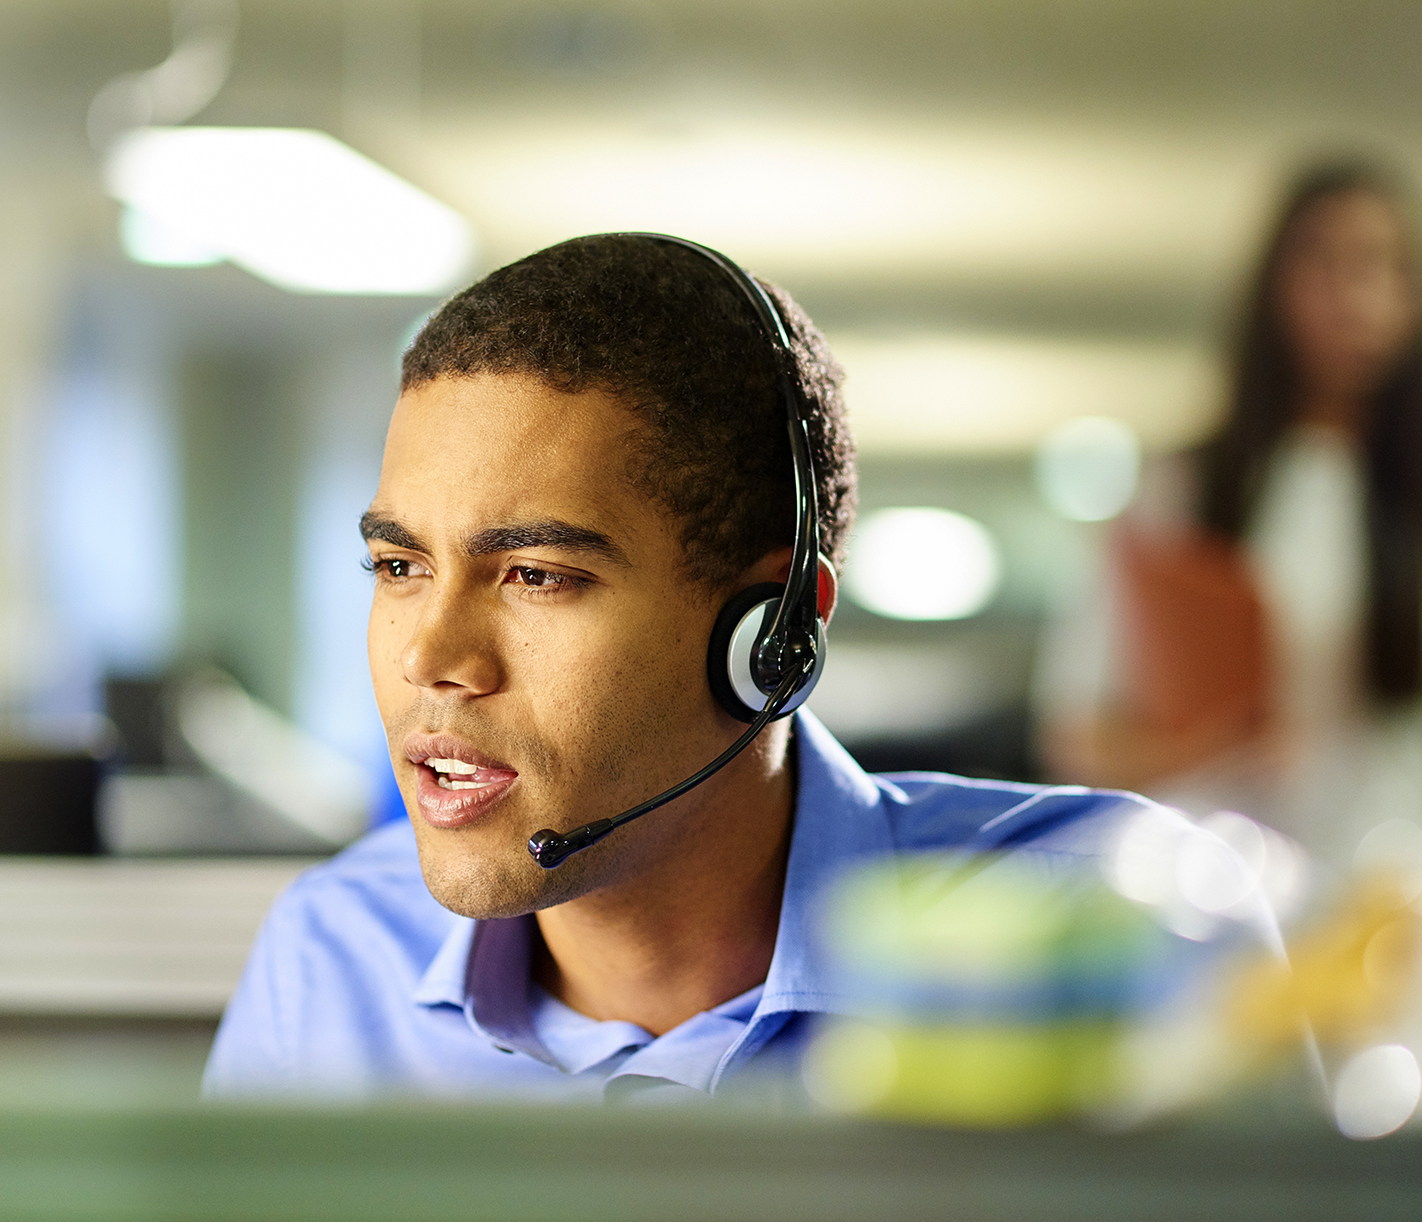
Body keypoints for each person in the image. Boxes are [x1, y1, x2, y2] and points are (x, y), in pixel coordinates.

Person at [201, 235, 1161, 1101]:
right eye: (400, 566)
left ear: (773, 633)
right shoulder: (332, 963)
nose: (430, 658)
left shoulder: (1107, 934)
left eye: (537, 576)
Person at [1035, 160, 1422, 1036]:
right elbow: (1078, 730)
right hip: (1209, 918)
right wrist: (1203, 738)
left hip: (1396, 922)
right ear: (1274, 287)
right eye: (1330, 263)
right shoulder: (1183, 492)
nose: (1361, 295)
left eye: (1389, 267)